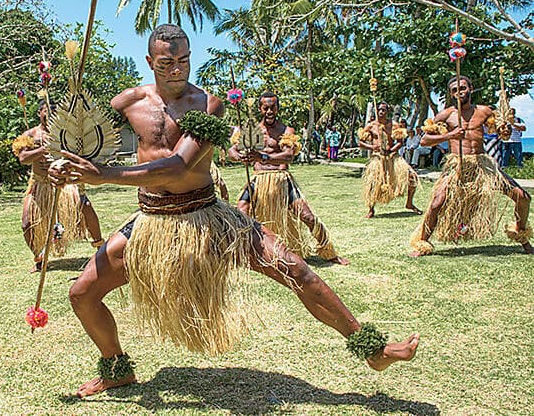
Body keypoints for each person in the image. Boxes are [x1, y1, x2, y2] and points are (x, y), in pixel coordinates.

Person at [48, 24, 418, 398]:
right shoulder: (128, 102)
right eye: (166, 62)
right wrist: (64, 161)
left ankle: (374, 350)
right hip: (152, 221)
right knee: (82, 294)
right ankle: (116, 368)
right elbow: (86, 143)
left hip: (208, 217)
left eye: (184, 60)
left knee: (297, 270)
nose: (177, 69)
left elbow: (179, 165)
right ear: (149, 61)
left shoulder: (207, 104)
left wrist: (104, 176)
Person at [410, 76, 532, 256]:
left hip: (482, 165)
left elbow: (501, 132)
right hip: (457, 165)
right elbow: (425, 140)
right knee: (437, 203)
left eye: (462, 88)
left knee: (523, 197)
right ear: (451, 94)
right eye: (454, 90)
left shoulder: (484, 111)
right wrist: (450, 135)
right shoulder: (446, 114)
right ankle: (422, 243)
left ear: (471, 89)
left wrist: (504, 129)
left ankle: (523, 239)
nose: (459, 93)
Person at [228, 91, 348, 265]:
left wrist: (263, 157)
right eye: (266, 108)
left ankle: (329, 252)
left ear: (277, 108)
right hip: (258, 179)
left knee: (307, 217)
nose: (269, 111)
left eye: (273, 108)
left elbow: (289, 155)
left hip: (281, 180)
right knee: (241, 213)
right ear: (260, 109)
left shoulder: (286, 130)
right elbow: (233, 150)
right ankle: (240, 254)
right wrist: (240, 157)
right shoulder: (252, 130)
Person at [13, 100, 104, 272]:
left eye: (55, 111)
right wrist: (44, 149)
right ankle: (38, 258)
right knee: (27, 223)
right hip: (40, 184)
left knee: (85, 206)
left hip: (64, 183)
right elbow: (23, 158)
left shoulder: (65, 133)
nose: (50, 114)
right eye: (47, 111)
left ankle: (101, 249)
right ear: (40, 112)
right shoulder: (31, 134)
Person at [358, 102, 421, 218]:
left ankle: (409, 203)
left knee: (412, 177)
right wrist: (372, 147)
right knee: (373, 181)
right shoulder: (371, 125)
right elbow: (360, 142)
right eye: (379, 110)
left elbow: (400, 142)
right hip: (377, 157)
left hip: (393, 156)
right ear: (376, 111)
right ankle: (371, 209)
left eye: (384, 110)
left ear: (388, 112)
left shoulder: (394, 125)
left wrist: (391, 150)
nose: (381, 112)